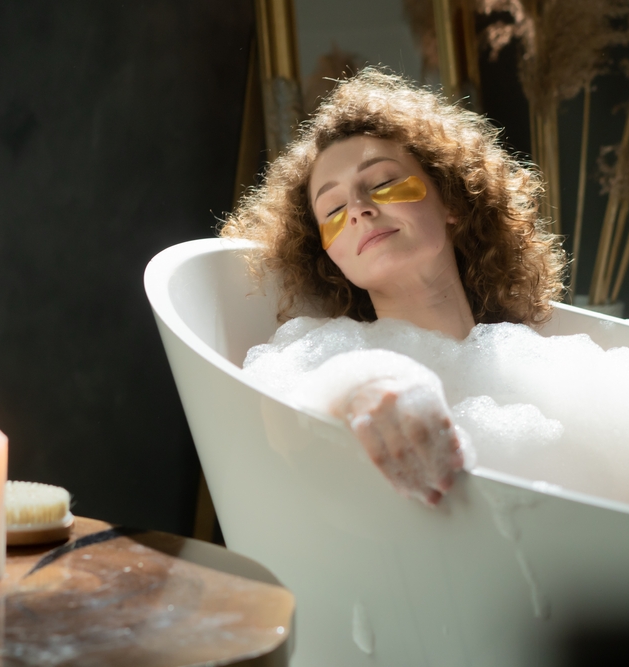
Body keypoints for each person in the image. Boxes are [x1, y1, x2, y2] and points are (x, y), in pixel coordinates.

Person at [221, 68, 566, 506]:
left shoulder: (544, 365)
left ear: (452, 203)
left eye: (382, 183)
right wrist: (360, 386)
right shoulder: (322, 358)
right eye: (332, 209)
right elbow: (283, 425)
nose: (359, 210)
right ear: (330, 256)